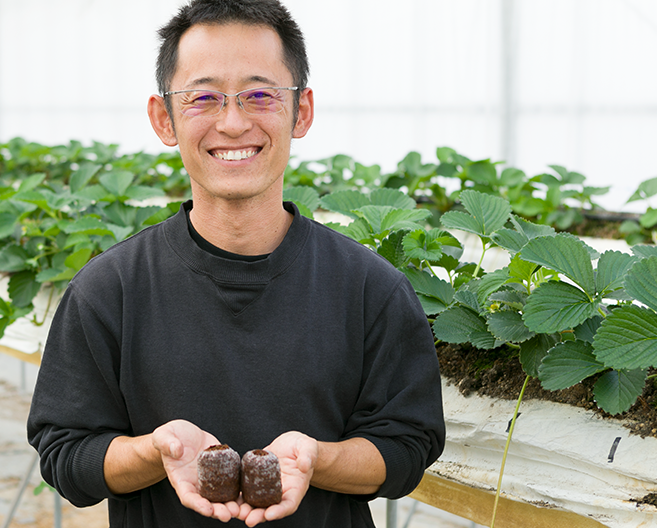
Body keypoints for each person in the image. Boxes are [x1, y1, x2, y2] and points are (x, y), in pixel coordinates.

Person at [26, 0, 445, 526]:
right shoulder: (109, 290)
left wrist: (317, 459)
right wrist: (155, 452)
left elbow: (407, 448)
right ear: (164, 118)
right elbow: (65, 454)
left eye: (260, 94)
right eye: (203, 97)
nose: (232, 122)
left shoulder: (370, 289)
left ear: (302, 111)